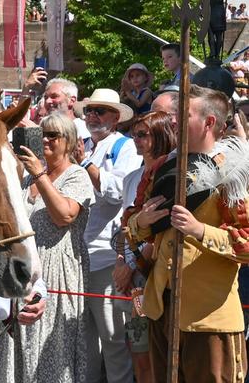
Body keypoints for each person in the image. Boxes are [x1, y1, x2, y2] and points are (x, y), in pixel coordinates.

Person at [127, 85, 249, 381]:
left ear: (208, 122)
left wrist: (199, 230)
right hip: (161, 312)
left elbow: (246, 244)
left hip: (209, 321)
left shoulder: (234, 173)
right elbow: (130, 226)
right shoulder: (162, 168)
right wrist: (142, 222)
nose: (172, 122)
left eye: (183, 115)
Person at [0, 113, 94, 381]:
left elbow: (64, 216)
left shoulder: (77, 175)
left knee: (51, 348)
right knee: (17, 344)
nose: (45, 139)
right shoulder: (28, 178)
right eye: (42, 134)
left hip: (58, 269)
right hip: (24, 265)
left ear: (70, 141)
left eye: (53, 135)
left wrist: (40, 173)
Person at [74, 89, 140, 382]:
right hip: (79, 253)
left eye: (99, 111)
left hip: (105, 255)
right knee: (85, 339)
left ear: (115, 117)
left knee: (113, 337)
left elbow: (116, 193)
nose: (92, 116)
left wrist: (86, 164)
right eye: (89, 111)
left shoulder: (124, 146)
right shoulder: (85, 144)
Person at [113, 111, 176, 383]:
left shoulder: (169, 174)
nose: (135, 140)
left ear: (161, 135)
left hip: (156, 277)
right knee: (138, 351)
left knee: (159, 356)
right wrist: (120, 261)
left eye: (142, 134)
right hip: (135, 282)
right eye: (133, 134)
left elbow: (158, 231)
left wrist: (130, 265)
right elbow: (125, 228)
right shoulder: (131, 178)